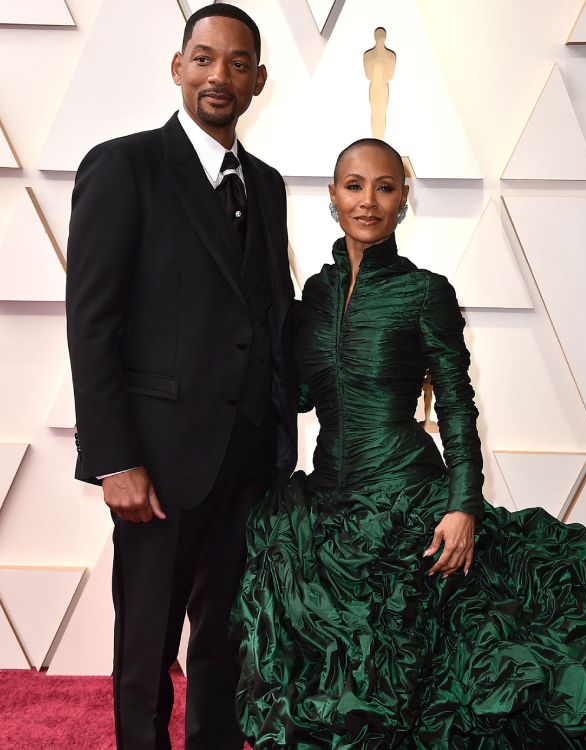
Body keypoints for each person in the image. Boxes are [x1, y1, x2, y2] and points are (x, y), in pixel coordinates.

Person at [232, 138, 586, 749]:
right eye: (354, 185)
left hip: (409, 500)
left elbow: (457, 407)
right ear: (332, 195)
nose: (368, 201)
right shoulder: (311, 301)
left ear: (403, 199)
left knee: (438, 678)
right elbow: (295, 395)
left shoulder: (426, 291)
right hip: (324, 507)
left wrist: (464, 508)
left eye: (385, 186)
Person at [66, 5, 297, 749]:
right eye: (203, 59)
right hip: (156, 465)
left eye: (236, 64)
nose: (218, 77)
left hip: (248, 459)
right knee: (147, 648)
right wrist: (113, 458)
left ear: (258, 80)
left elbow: (270, 314)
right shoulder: (123, 165)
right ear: (178, 67)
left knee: (224, 645)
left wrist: (285, 435)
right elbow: (91, 323)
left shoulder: (266, 184)